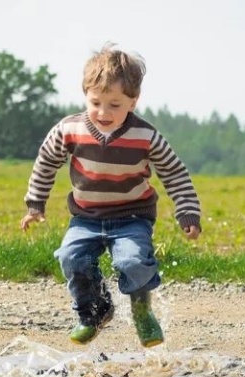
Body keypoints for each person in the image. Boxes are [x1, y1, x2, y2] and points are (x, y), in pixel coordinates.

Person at [20, 43, 202, 348]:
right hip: (85, 217)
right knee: (71, 257)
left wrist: (187, 212)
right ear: (86, 95)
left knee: (132, 262)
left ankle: (141, 308)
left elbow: (175, 174)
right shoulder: (69, 129)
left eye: (115, 105)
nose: (104, 112)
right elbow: (46, 162)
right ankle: (95, 310)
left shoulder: (146, 136)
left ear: (133, 101)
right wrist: (35, 203)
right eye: (96, 102)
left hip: (132, 218)